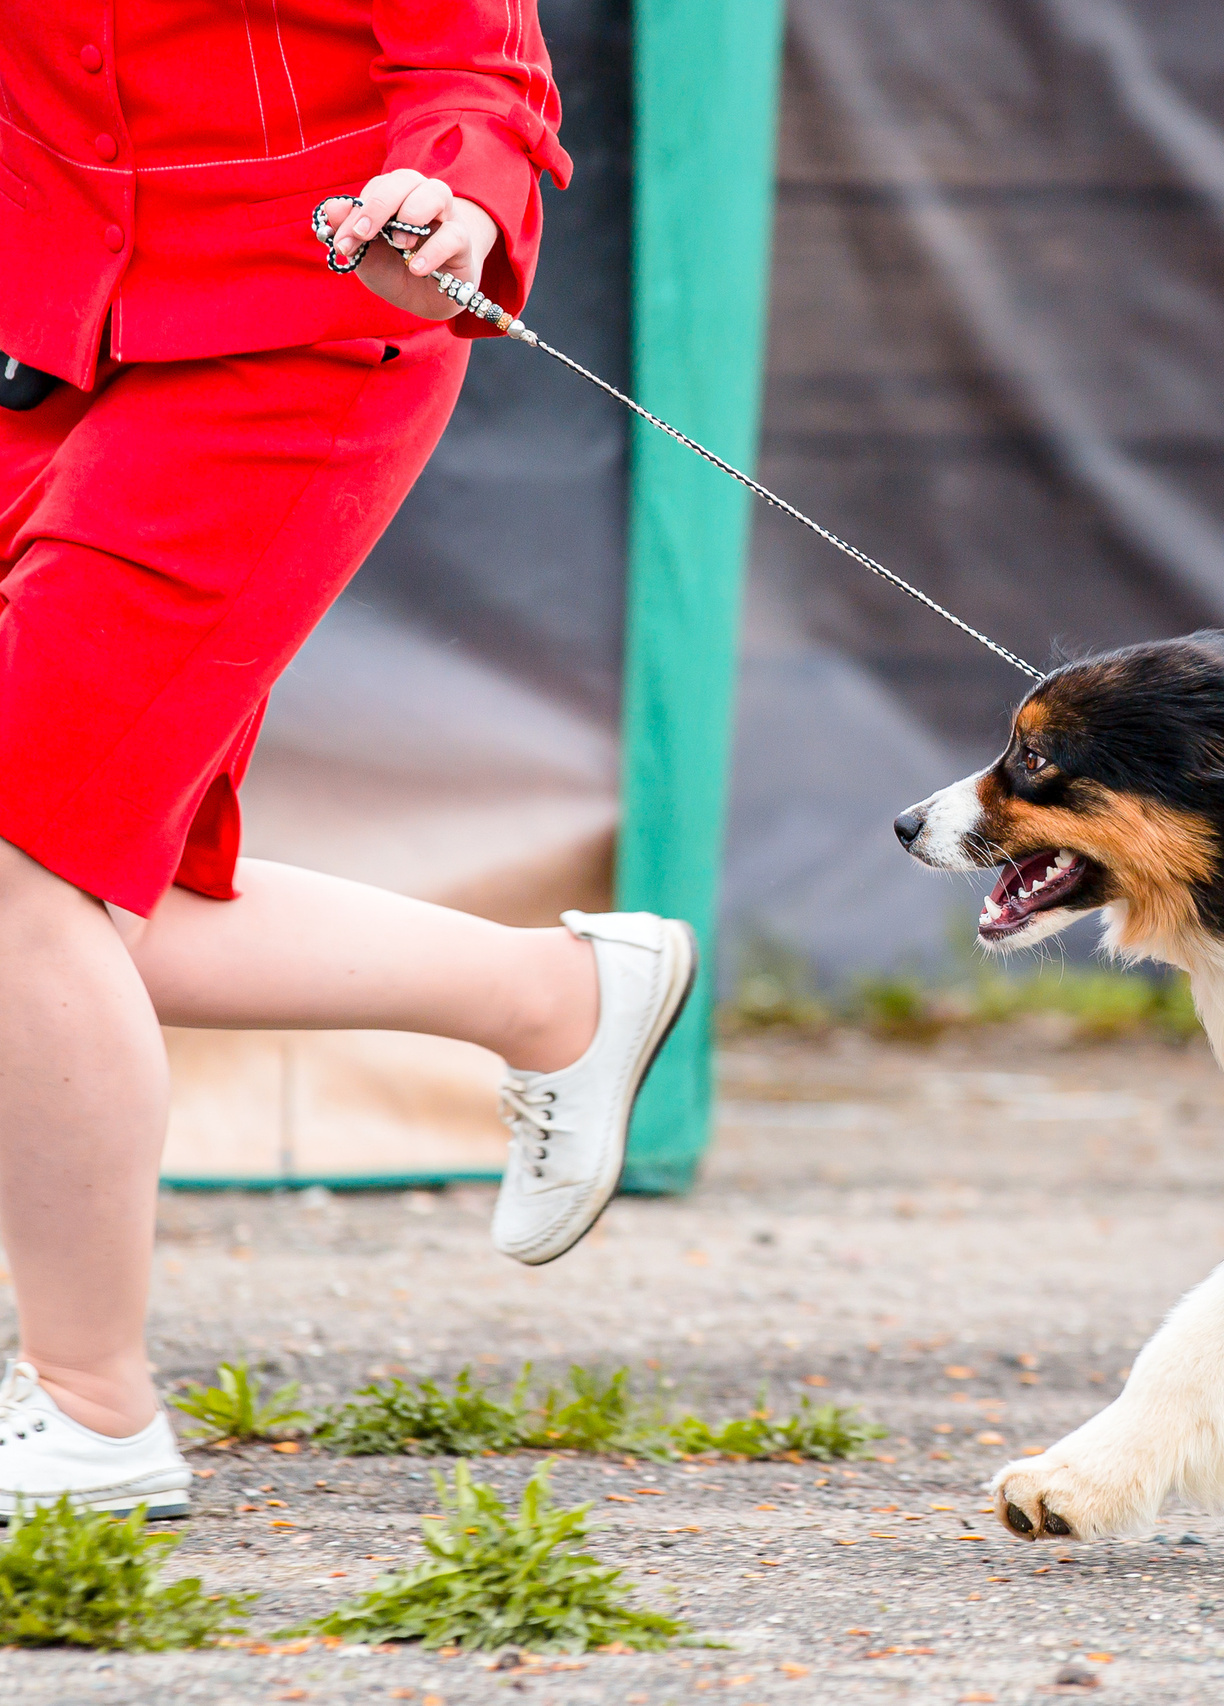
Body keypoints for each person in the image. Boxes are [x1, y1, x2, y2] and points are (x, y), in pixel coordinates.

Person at [0, 3, 693, 1518]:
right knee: (68, 898)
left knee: (23, 851)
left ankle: (91, 1412)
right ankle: (554, 997)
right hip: (40, 329)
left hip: (290, 338)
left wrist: (449, 196)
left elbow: (482, 76)